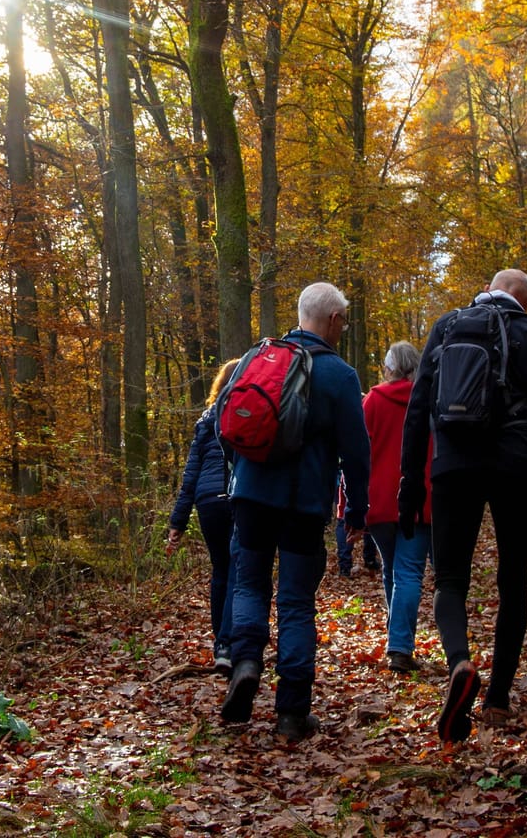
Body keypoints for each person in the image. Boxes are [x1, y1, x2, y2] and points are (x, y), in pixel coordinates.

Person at [401, 269, 527, 744]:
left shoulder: (447, 326)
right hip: (514, 466)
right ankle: (498, 696)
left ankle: (460, 661)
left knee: (450, 578)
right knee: (512, 580)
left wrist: (409, 483)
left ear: (486, 287)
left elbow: (418, 409)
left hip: (452, 465)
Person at [222, 282, 372, 742]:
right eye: (343, 320)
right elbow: (357, 452)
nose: (343, 328)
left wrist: (240, 478)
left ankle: (245, 663)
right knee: (295, 602)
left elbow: (226, 423)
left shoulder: (258, 357)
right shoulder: (340, 375)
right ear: (331, 320)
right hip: (304, 503)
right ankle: (291, 712)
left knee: (249, 582)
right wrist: (357, 511)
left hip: (250, 493)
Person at [166, 358, 243, 674]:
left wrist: (177, 522)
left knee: (221, 569)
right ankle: (227, 642)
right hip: (238, 496)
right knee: (237, 568)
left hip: (207, 500)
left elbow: (190, 475)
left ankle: (221, 645)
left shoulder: (206, 420)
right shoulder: (247, 413)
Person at [364, 340, 430, 673]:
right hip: (418, 499)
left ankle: (397, 640)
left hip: (379, 499)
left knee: (393, 569)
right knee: (408, 573)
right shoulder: (428, 399)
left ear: (390, 367)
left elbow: (359, 453)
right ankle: (400, 644)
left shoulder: (373, 401)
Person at [335, 481, 380, 578]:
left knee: (344, 518)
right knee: (369, 514)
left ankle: (345, 566)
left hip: (341, 478)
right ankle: (370, 559)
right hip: (367, 478)